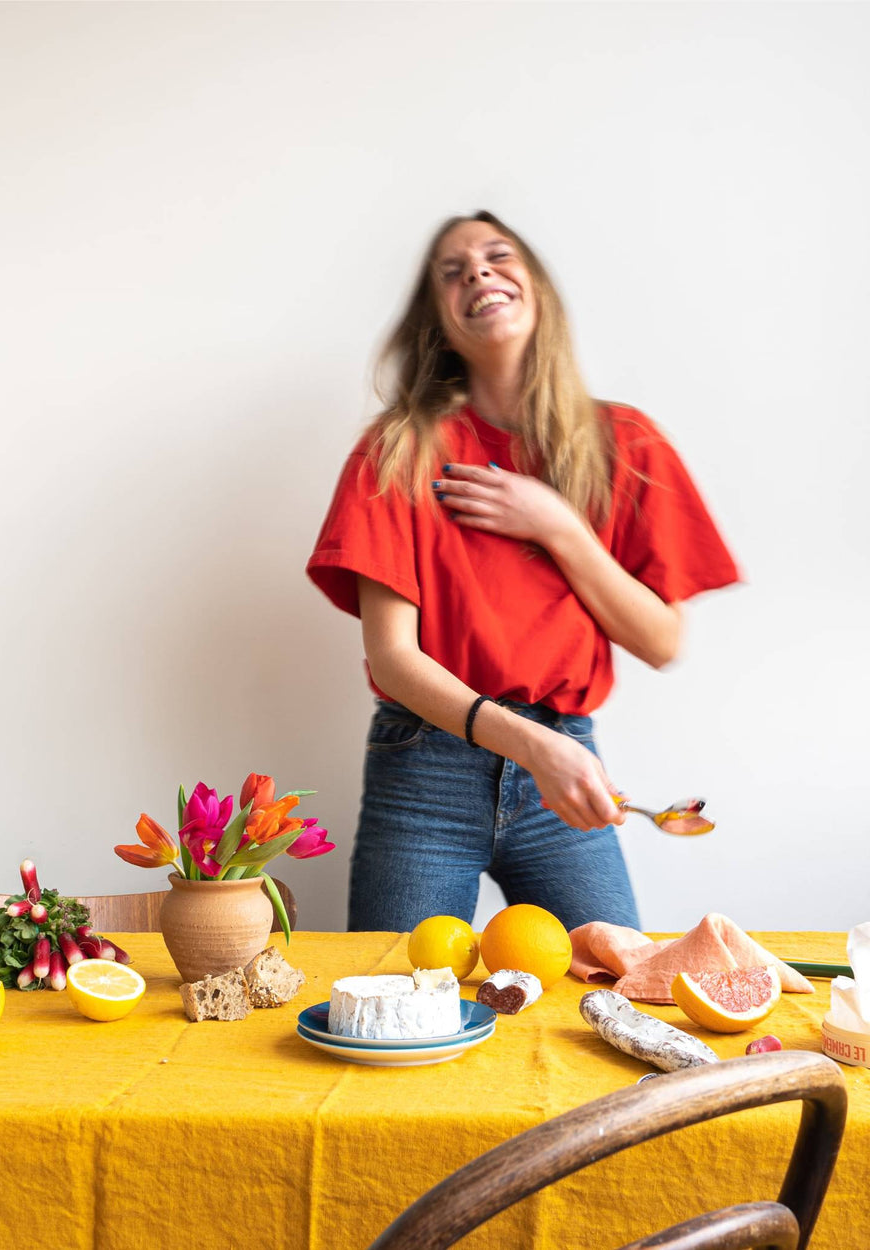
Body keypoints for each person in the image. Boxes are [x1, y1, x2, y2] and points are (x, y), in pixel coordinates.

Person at [306, 211, 739, 934]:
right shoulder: (399, 452)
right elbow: (392, 656)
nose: (477, 271)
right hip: (425, 771)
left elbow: (664, 641)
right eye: (452, 269)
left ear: (537, 288)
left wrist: (559, 525)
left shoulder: (626, 444)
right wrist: (537, 749)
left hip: (564, 759)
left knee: (613, 997)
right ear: (437, 321)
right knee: (389, 1011)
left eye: (497, 255)